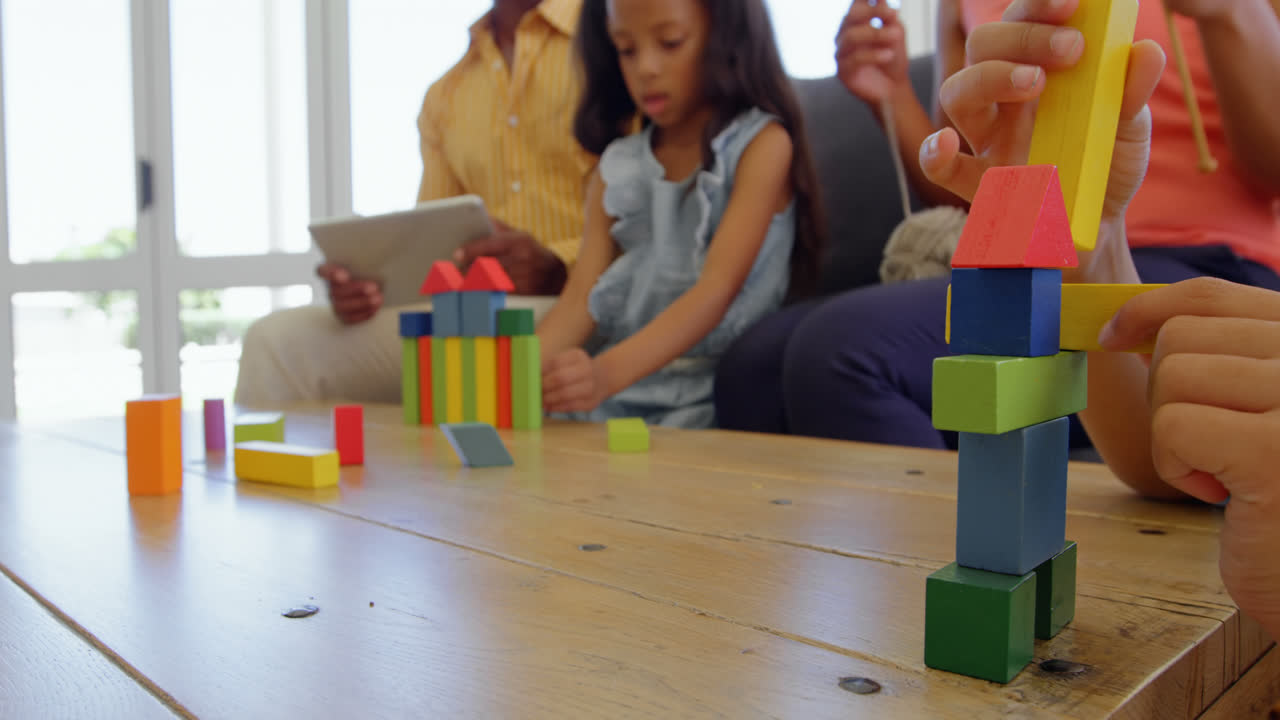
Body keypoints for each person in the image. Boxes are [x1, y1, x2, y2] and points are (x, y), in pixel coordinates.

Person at [714, 0, 1280, 480]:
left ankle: (919, 593)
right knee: (754, 364)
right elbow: (977, 186)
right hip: (1046, 247)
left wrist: (1230, 11)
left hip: (1207, 259)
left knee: (841, 354)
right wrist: (890, 97)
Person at [927, 0, 1279, 644]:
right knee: (800, 354)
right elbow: (1162, 458)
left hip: (1223, 260)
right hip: (1074, 252)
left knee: (843, 354)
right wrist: (1078, 236)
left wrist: (1233, 14)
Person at [234, 0, 593, 407]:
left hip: (577, 305)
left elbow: (648, 213)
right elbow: (435, 246)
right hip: (468, 311)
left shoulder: (617, 40)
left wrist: (559, 267)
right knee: (276, 342)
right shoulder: (446, 94)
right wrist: (373, 286)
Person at [536, 0, 824, 428]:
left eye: (670, 43)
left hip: (711, 399)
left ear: (726, 36)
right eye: (627, 50)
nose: (646, 68)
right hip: (617, 393)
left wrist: (603, 375)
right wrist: (506, 377)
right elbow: (582, 299)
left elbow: (715, 289)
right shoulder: (617, 166)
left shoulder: (762, 145)